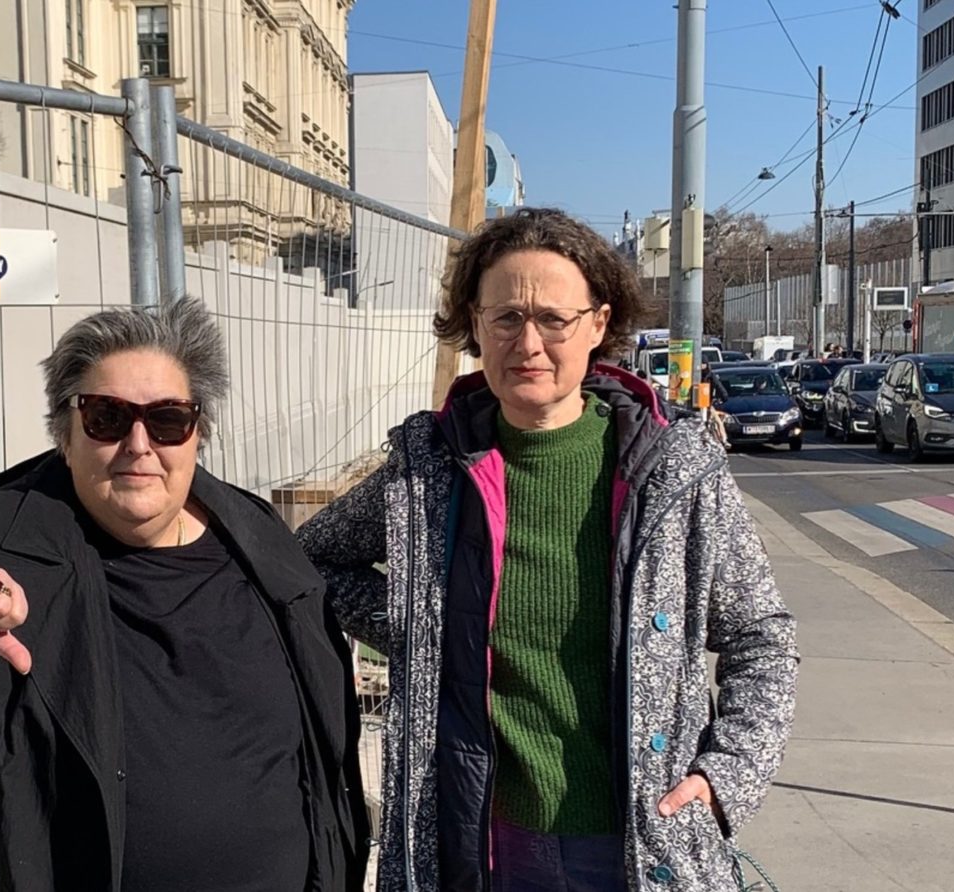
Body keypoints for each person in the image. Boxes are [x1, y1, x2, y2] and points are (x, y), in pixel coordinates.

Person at [297, 208, 798, 892]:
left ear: (597, 324)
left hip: (643, 840)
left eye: (553, 319)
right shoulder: (428, 468)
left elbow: (760, 637)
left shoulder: (676, 467)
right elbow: (311, 561)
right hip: (482, 843)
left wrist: (727, 774)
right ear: (474, 325)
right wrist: (426, 624)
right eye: (505, 317)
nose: (527, 343)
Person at [0, 299, 368, 891]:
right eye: (107, 417)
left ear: (197, 434)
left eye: (167, 418)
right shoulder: (3, 538)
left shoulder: (258, 536)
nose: (139, 444)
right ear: (65, 435)